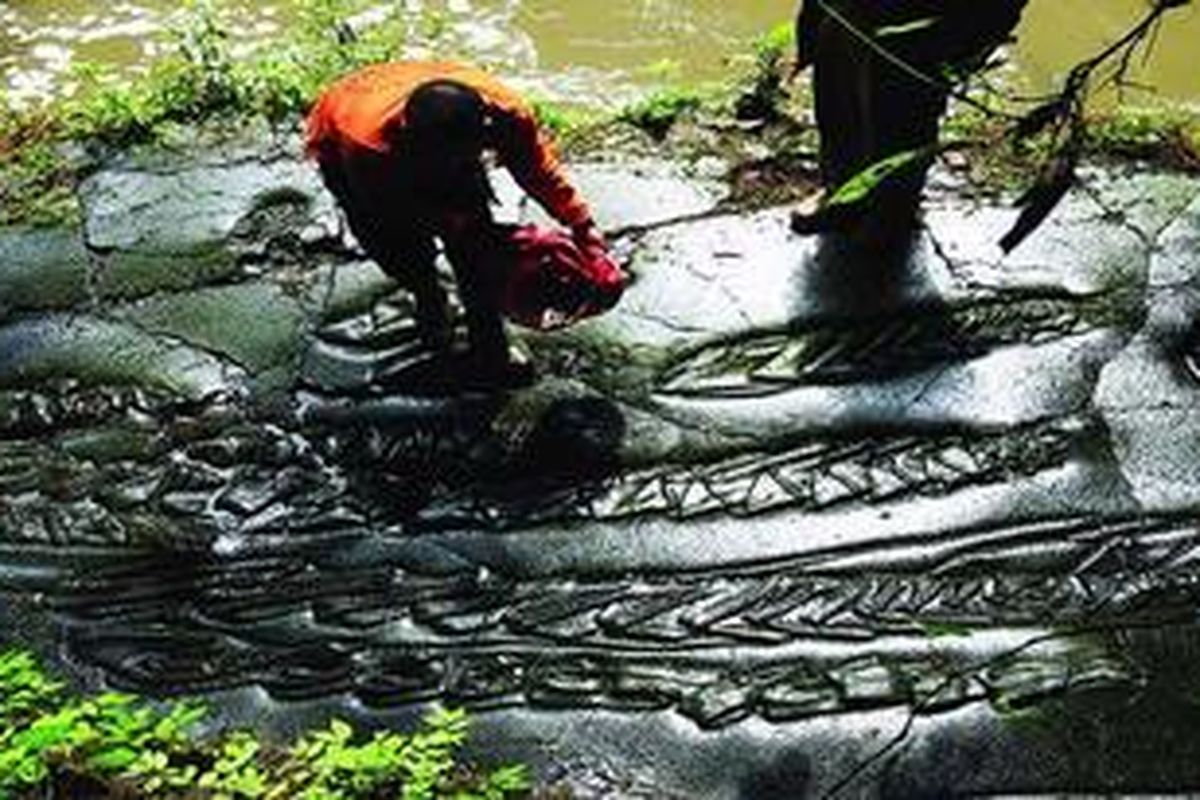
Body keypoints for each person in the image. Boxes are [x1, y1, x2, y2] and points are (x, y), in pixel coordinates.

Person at [306, 61, 614, 387]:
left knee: (472, 245)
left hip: (408, 93)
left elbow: (535, 169)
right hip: (344, 131)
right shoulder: (367, 144)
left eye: (468, 155)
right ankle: (429, 298)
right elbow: (389, 208)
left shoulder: (507, 112)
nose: (456, 165)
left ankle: (488, 348)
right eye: (445, 159)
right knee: (396, 244)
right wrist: (448, 221)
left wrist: (581, 221)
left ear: (484, 129)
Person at [790, 0, 1029, 241]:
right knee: (839, 30)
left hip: (961, 18)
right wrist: (808, 38)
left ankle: (896, 202)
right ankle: (841, 186)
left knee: (898, 72)